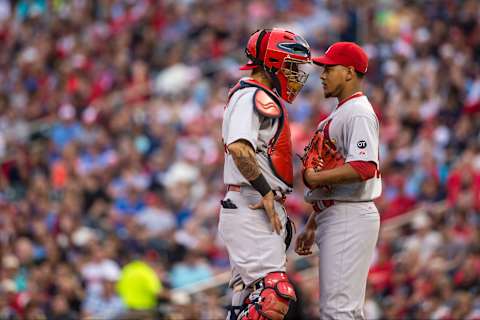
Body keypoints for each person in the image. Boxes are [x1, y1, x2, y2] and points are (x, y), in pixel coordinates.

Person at [219, 28, 311, 320]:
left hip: (255, 203)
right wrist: (266, 190)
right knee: (274, 296)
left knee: (244, 304)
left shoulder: (258, 95)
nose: (298, 74)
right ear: (273, 61)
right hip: (253, 202)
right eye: (292, 65)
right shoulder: (252, 96)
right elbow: (238, 147)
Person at [295, 42, 382, 320]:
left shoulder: (357, 111)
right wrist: (312, 223)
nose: (322, 74)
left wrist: (315, 177)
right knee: (345, 311)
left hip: (350, 213)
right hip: (336, 212)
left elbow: (364, 166)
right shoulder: (340, 112)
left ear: (348, 72)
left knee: (338, 311)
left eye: (328, 69)